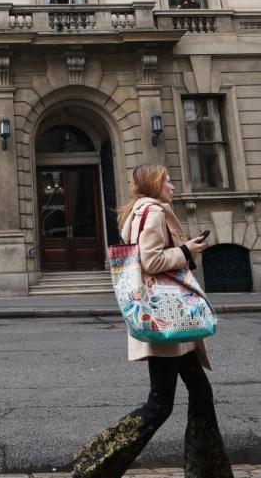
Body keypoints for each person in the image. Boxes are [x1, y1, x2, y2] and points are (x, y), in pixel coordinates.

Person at [71, 164, 232, 478]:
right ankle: (94, 466)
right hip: (166, 320)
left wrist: (185, 250)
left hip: (169, 324)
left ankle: (208, 470)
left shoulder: (139, 212)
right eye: (167, 181)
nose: (172, 185)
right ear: (153, 185)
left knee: (199, 393)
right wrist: (186, 251)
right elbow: (151, 260)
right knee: (160, 405)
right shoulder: (154, 213)